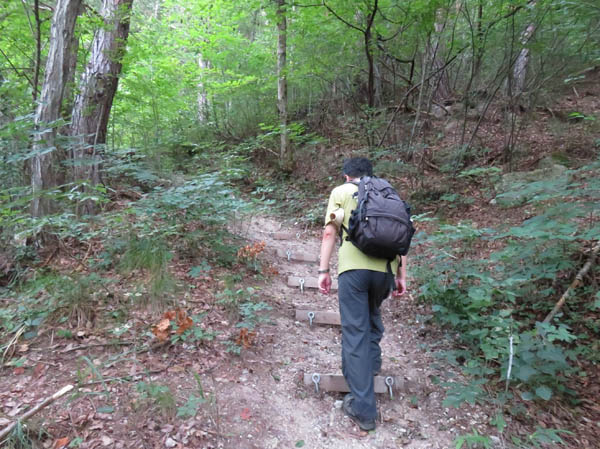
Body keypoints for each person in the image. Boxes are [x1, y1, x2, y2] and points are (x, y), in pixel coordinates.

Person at [317, 157, 407, 431]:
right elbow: (403, 237)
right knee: (371, 315)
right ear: (369, 175)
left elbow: (330, 232)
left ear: (347, 175)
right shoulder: (388, 193)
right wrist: (402, 275)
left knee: (355, 330)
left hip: (354, 270)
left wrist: (323, 270)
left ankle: (363, 408)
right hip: (386, 270)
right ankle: (371, 366)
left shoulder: (341, 192)